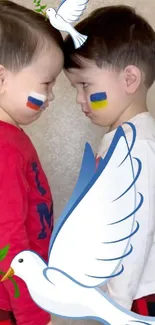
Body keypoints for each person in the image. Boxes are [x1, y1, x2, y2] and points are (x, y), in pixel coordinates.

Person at [63, 5, 155, 316]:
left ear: (130, 79)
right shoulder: (125, 140)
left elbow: (137, 231)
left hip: (135, 298)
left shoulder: (135, 146)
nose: (79, 99)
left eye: (85, 85)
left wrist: (117, 306)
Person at [0, 1, 64, 325]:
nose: (51, 96)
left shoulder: (12, 139)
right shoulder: (4, 148)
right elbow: (6, 238)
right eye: (46, 84)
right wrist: (31, 314)